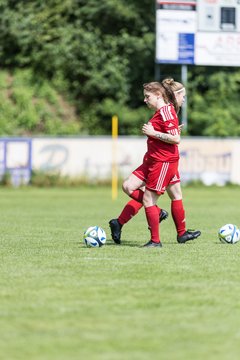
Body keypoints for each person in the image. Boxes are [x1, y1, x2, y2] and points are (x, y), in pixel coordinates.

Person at [109, 79, 201, 247]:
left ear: (158, 95)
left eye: (147, 96)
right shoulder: (164, 111)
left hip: (163, 161)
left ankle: (156, 240)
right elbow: (172, 133)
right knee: (128, 186)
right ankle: (175, 229)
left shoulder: (166, 111)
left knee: (149, 200)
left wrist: (154, 132)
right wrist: (161, 132)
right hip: (152, 159)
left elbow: (175, 139)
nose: (145, 100)